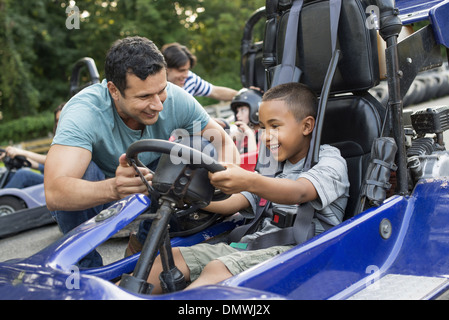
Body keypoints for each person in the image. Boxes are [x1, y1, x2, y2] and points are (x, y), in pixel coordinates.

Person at [44, 36, 239, 268]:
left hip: (150, 181)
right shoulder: (83, 112)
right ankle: (87, 270)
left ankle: (145, 245)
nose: (158, 104)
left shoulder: (176, 99)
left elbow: (222, 142)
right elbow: (55, 192)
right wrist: (112, 188)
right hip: (97, 193)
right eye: (144, 97)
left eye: (161, 91)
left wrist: (228, 176)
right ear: (114, 90)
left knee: (199, 148)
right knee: (80, 173)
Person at [146, 82, 350, 293]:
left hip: (302, 252)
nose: (266, 135)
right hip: (255, 244)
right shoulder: (272, 165)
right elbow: (233, 203)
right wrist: (187, 194)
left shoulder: (330, 161)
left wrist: (250, 180)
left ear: (307, 126)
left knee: (219, 268)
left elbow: (300, 191)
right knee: (173, 257)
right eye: (263, 127)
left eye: (275, 126)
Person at [0, 103, 65, 189]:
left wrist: (21, 152)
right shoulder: (58, 141)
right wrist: (21, 159)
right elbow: (44, 165)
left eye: (62, 119)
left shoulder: (71, 142)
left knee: (23, 175)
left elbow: (49, 160)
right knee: (11, 175)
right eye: (57, 120)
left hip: (58, 183)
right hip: (48, 178)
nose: (58, 123)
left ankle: (4, 201)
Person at [161, 42, 238, 101]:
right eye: (181, 70)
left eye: (188, 69)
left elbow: (215, 92)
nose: (186, 75)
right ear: (166, 68)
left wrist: (245, 95)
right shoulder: (156, 87)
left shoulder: (190, 79)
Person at [229, 88, 263, 153]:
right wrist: (230, 140)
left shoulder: (264, 135)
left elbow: (253, 160)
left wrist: (250, 134)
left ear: (256, 109)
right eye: (237, 111)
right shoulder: (241, 135)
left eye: (242, 110)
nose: (237, 115)